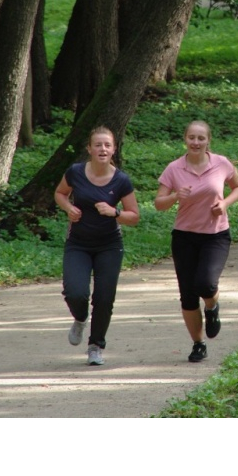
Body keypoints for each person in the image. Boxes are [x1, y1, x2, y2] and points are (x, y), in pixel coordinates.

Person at [155, 121, 238, 363]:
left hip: (215, 235)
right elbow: (159, 204)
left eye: (201, 138)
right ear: (185, 139)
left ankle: (212, 307)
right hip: (184, 236)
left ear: (208, 141)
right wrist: (175, 196)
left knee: (205, 284)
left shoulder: (221, 163)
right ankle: (198, 344)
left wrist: (225, 204)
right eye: (191, 138)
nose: (196, 142)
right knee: (187, 295)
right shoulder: (174, 169)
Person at [54, 126, 140, 366]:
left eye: (107, 145)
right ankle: (80, 318)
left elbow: (134, 216)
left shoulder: (121, 180)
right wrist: (68, 208)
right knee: (75, 292)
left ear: (113, 149)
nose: (103, 149)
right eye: (98, 145)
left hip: (109, 245)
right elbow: (60, 193)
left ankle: (96, 346)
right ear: (89, 149)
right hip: (78, 244)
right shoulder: (75, 172)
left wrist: (115, 212)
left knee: (104, 297)